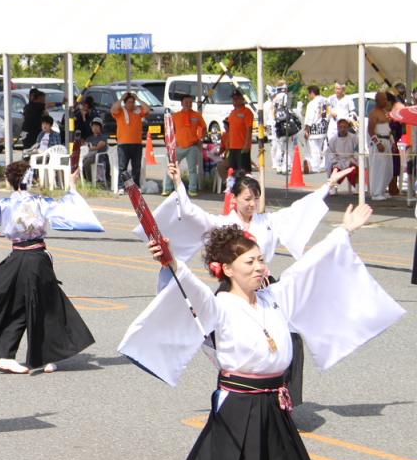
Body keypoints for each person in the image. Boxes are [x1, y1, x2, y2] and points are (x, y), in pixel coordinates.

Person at [119, 206, 403, 460]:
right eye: (250, 262)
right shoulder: (218, 307)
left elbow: (309, 267)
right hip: (238, 411)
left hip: (275, 409)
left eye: (261, 260)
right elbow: (187, 285)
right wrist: (170, 259)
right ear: (226, 268)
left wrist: (344, 232)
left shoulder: (274, 297)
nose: (259, 267)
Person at [145, 163, 353, 404]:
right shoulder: (223, 224)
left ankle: (284, 397)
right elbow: (191, 213)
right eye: (246, 198)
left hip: (265, 288)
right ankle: (235, 390)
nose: (252, 204)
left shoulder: (268, 222)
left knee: (289, 339)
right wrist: (178, 183)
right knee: (233, 343)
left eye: (256, 198)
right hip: (235, 290)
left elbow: (300, 210)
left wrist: (328, 184)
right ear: (233, 199)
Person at [0, 161, 99, 374]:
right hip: (36, 257)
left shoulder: (4, 203)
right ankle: (37, 355)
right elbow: (67, 208)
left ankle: (16, 355)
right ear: (29, 179)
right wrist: (71, 185)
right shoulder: (41, 201)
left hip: (17, 257)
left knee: (17, 305)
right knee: (45, 306)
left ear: (10, 181)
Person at [162, 94, 205, 196]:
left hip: (192, 146)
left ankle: (192, 189)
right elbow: (169, 130)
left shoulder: (197, 115)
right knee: (172, 167)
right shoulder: (175, 116)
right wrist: (170, 144)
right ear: (181, 103)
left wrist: (201, 139)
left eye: (190, 102)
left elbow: (203, 127)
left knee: (192, 169)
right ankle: (167, 188)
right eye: (186, 102)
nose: (188, 104)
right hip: (178, 146)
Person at [111, 92, 149, 186]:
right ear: (125, 103)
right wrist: (121, 99)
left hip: (137, 143)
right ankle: (121, 186)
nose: (131, 104)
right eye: (129, 102)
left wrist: (138, 99)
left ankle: (136, 186)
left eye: (132, 102)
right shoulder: (120, 111)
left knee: (136, 167)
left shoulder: (138, 111)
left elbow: (147, 109)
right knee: (122, 167)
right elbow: (113, 109)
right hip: (123, 143)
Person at [367, 91, 393, 201]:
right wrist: (378, 143)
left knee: (388, 169)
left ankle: (382, 190)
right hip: (379, 142)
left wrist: (393, 143)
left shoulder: (384, 112)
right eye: (384, 99)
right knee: (378, 168)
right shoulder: (373, 113)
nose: (386, 101)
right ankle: (376, 193)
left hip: (387, 141)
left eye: (386, 99)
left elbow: (388, 129)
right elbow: (370, 130)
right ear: (377, 100)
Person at [326, 118, 359, 195]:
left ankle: (357, 188)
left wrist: (354, 159)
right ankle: (333, 188)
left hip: (350, 160)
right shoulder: (333, 139)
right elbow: (330, 153)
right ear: (337, 128)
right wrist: (335, 162)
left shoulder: (354, 138)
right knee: (334, 170)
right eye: (341, 127)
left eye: (344, 127)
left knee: (356, 170)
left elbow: (357, 150)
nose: (343, 129)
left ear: (348, 127)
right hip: (338, 161)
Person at [226, 91, 254, 173]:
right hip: (232, 146)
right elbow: (230, 129)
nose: (234, 101)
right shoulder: (232, 113)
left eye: (237, 98)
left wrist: (246, 145)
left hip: (242, 146)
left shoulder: (247, 112)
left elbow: (249, 129)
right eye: (233, 99)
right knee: (233, 170)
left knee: (243, 170)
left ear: (242, 99)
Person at [303, 85, 328, 173]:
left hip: (314, 128)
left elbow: (309, 117)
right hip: (323, 127)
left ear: (312, 93)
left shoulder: (312, 103)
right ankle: (323, 164)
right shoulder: (325, 101)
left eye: (309, 94)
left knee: (314, 148)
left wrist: (307, 129)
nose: (309, 96)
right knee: (321, 147)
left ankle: (315, 166)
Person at [81, 119, 109, 185]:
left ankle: (89, 181)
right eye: (93, 126)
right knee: (82, 159)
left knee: (86, 161)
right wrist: (89, 147)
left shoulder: (103, 137)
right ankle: (82, 179)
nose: (95, 128)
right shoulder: (89, 138)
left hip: (98, 157)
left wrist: (90, 147)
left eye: (97, 126)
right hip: (88, 155)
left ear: (100, 127)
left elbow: (98, 147)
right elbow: (85, 146)